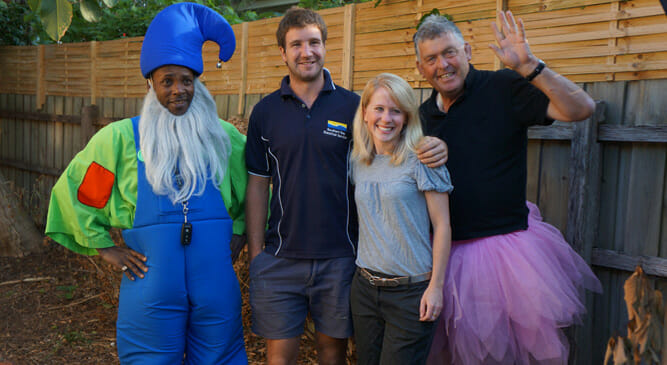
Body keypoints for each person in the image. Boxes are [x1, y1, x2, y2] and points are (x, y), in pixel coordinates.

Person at [45, 3, 248, 364]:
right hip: (150, 292)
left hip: (216, 288)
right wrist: (105, 248)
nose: (178, 91)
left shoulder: (224, 138)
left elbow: (255, 193)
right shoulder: (120, 140)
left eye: (187, 80)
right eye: (167, 81)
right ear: (150, 83)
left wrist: (240, 231)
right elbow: (77, 193)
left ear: (197, 83)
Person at [245, 7, 448, 365]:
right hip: (280, 257)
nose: (306, 52)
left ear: (325, 46)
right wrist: (257, 250)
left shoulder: (354, 106)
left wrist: (435, 144)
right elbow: (259, 185)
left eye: (314, 42)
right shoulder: (264, 112)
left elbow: (393, 141)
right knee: (278, 357)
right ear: (283, 52)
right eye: (296, 44)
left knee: (333, 352)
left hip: (340, 257)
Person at [413, 12, 603, 365]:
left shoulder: (504, 87)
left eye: (450, 52)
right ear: (420, 68)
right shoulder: (421, 117)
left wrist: (530, 65)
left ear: (467, 50)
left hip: (503, 258)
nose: (443, 64)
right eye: (431, 58)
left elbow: (582, 109)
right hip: (441, 258)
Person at [349, 73, 453, 365]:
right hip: (365, 288)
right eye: (379, 109)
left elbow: (443, 225)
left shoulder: (422, 158)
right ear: (365, 112)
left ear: (407, 118)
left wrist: (436, 287)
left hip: (410, 293)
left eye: (396, 111)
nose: (387, 118)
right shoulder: (357, 160)